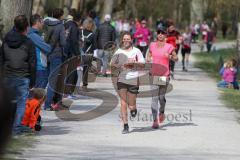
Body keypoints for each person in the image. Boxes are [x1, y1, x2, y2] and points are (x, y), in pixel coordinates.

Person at [0, 15, 36, 134]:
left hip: (7, 75)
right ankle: (15, 128)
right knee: (21, 104)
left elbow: (2, 57)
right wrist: (33, 81)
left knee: (7, 102)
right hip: (22, 76)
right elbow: (32, 63)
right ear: (26, 27)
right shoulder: (28, 42)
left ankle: (6, 126)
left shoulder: (6, 39)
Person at [111, 31, 145, 134]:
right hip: (121, 79)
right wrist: (119, 65)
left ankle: (134, 110)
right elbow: (112, 64)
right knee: (123, 103)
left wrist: (135, 63)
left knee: (131, 105)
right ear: (122, 40)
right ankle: (125, 125)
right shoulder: (119, 51)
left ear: (131, 40)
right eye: (124, 39)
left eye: (128, 39)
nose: (126, 41)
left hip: (134, 78)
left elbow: (143, 64)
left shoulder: (137, 51)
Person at [147, 27, 178, 129]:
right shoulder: (152, 45)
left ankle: (162, 111)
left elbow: (176, 58)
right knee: (154, 98)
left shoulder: (169, 47)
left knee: (161, 98)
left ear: (165, 35)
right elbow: (149, 54)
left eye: (162, 33)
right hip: (153, 74)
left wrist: (169, 57)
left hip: (164, 75)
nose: (160, 34)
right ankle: (155, 121)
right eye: (159, 33)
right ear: (157, 34)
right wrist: (148, 58)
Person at [43, 8, 66, 111]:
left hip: (44, 53)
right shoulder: (60, 26)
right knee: (53, 80)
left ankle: (35, 101)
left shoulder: (45, 23)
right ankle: (47, 105)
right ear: (60, 16)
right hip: (56, 54)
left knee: (43, 79)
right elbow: (63, 42)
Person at [28, 14, 52, 89]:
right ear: (37, 22)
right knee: (38, 94)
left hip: (37, 67)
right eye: (41, 21)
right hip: (39, 68)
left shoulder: (34, 34)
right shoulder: (33, 35)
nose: (43, 23)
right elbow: (48, 48)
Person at [79, 19, 96, 91]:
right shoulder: (92, 34)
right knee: (85, 70)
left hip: (78, 53)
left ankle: (74, 84)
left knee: (76, 69)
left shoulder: (80, 32)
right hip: (88, 54)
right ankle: (84, 85)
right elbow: (95, 46)